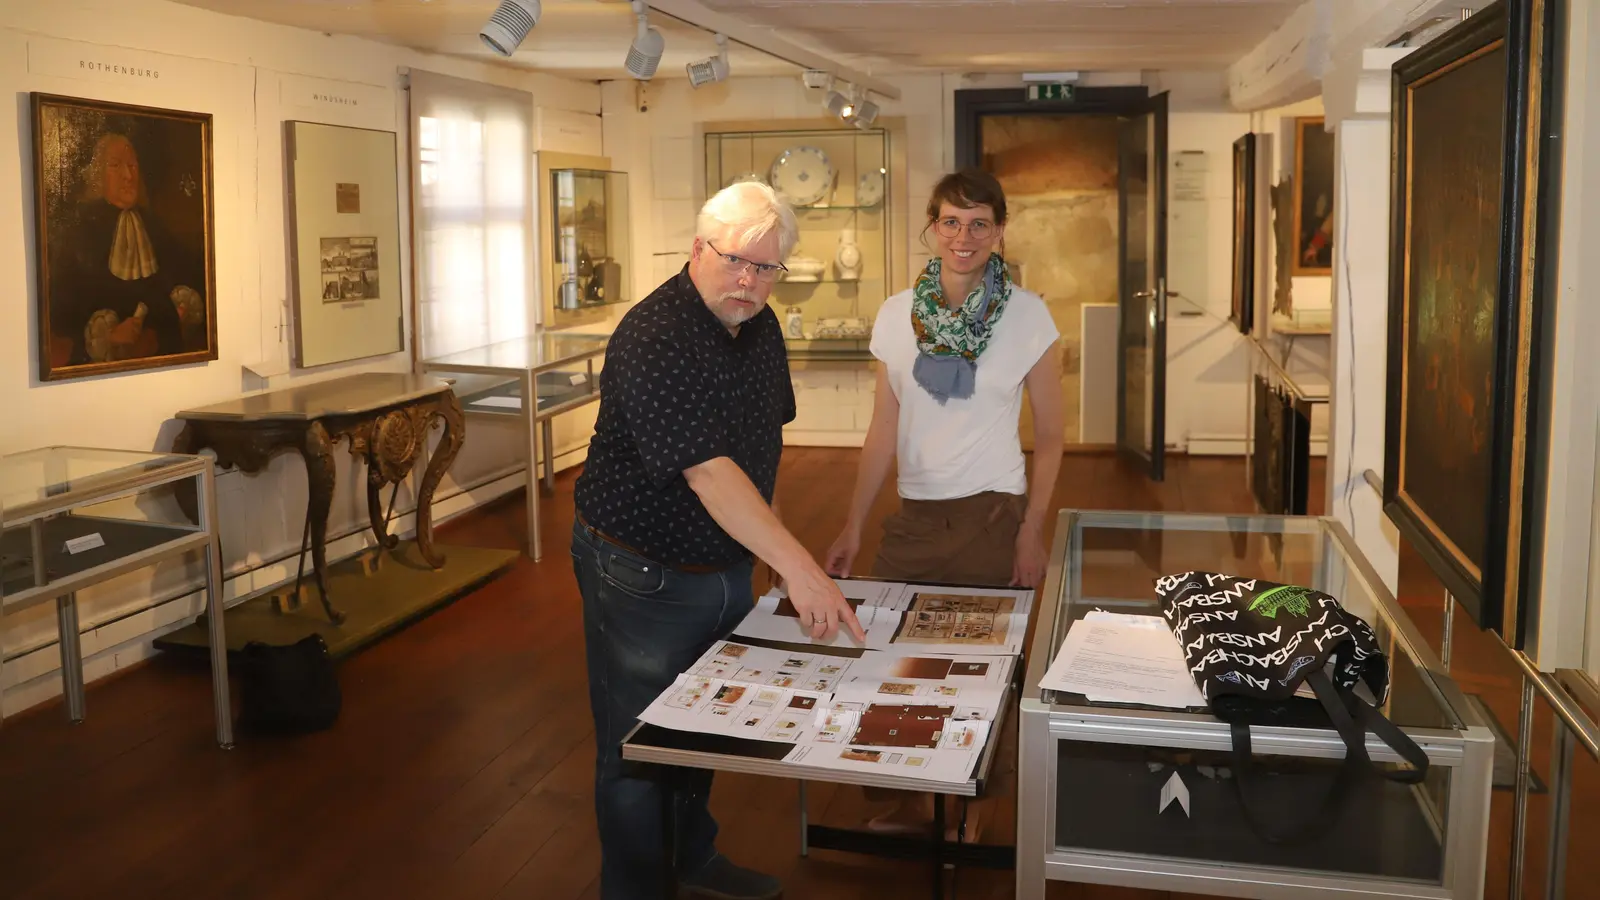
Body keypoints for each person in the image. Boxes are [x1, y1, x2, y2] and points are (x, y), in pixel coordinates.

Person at [571, 180, 865, 900]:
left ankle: (691, 861)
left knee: (700, 721)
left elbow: (761, 449)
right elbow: (707, 471)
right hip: (639, 568)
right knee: (638, 745)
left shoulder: (759, 326)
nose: (748, 281)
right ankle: (637, 891)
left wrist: (767, 554)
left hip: (722, 561)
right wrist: (800, 568)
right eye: (735, 260)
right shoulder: (654, 335)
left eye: (766, 268)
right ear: (698, 248)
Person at [823, 167, 1064, 833]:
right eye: (951, 222)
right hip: (915, 519)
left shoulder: (1027, 315)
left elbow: (1051, 436)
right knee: (894, 662)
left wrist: (1031, 530)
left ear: (1000, 231)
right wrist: (852, 525)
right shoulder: (896, 314)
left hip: (991, 515)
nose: (964, 236)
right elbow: (883, 429)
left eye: (979, 223)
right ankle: (912, 797)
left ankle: (968, 808)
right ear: (932, 227)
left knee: (981, 671)